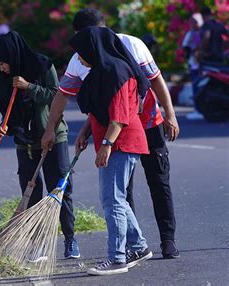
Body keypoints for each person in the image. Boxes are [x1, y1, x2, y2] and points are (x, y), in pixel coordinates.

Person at [42, 8, 180, 260]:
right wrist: (58, 129)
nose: (80, 50)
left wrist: (170, 114)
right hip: (115, 130)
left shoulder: (129, 49)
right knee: (120, 191)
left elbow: (153, 82)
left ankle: (163, 240)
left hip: (143, 124)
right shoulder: (82, 60)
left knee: (156, 181)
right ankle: (134, 245)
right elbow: (65, 96)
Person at [69, 26, 151, 276]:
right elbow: (100, 109)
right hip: (114, 140)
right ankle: (138, 247)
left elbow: (119, 118)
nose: (79, 57)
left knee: (111, 200)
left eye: (81, 52)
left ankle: (117, 258)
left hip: (121, 141)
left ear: (93, 49)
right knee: (117, 198)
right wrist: (85, 131)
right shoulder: (103, 71)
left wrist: (105, 145)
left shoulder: (116, 71)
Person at [0, 31, 80, 259]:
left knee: (58, 188)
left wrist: (29, 86)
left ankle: (70, 240)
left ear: (12, 56)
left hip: (51, 136)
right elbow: (9, 109)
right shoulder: (5, 78)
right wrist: (5, 126)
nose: (1, 69)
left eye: (2, 64)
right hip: (26, 142)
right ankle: (38, 244)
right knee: (30, 193)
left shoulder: (43, 65)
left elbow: (55, 96)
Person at [182, 13, 203, 98]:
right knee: (195, 84)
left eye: (195, 22)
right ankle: (197, 108)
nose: (193, 24)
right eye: (192, 22)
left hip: (205, 64)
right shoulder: (191, 33)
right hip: (194, 63)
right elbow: (185, 46)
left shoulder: (204, 32)